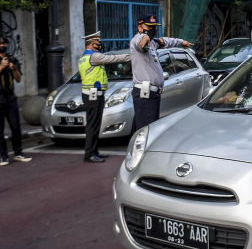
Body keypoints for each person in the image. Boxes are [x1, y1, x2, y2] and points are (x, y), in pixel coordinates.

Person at [129, 14, 192, 130]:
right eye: (149, 27)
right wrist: (144, 37)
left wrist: (181, 42)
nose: (152, 30)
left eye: (154, 27)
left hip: (152, 94)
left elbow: (165, 41)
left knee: (151, 128)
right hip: (145, 94)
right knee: (146, 130)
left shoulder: (153, 43)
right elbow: (140, 43)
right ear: (140, 28)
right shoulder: (136, 41)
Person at [78, 32, 131, 163]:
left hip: (91, 94)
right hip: (93, 95)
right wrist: (132, 56)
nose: (100, 45)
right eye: (97, 43)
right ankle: (90, 154)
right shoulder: (94, 56)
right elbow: (113, 59)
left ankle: (94, 151)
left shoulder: (84, 57)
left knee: (94, 124)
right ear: (91, 44)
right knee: (93, 125)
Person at [0, 33, 32, 166]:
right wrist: (1, 67)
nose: (2, 45)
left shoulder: (13, 59)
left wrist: (14, 68)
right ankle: (3, 156)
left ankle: (18, 152)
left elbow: (18, 79)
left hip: (10, 98)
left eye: (4, 43)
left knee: (15, 127)